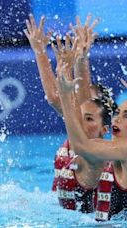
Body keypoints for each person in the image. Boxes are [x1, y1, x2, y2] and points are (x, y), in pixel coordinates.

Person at [25, 14, 112, 213]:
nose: (81, 105)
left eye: (90, 115)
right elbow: (55, 97)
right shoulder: (76, 126)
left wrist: (80, 60)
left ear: (104, 127)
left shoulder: (99, 153)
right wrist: (40, 50)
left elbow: (75, 99)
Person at [56, 57, 127, 221]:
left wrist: (66, 95)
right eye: (117, 113)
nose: (116, 119)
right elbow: (85, 108)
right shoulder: (109, 151)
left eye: (126, 116)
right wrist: (81, 57)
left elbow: (80, 146)